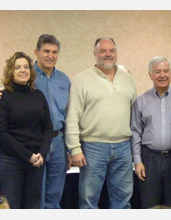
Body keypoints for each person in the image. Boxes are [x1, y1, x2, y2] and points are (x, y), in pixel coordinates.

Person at [0, 34, 71, 209]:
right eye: (46, 51)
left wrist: (67, 148)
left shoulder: (61, 81)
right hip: (19, 155)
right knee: (16, 202)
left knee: (51, 197)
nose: (50, 55)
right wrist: (31, 155)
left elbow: (59, 120)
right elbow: (1, 132)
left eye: (54, 52)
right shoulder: (5, 94)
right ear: (37, 52)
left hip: (53, 144)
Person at [65, 37, 137, 209]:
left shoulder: (128, 79)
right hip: (92, 147)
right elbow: (72, 116)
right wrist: (75, 149)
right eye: (103, 51)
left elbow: (134, 117)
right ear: (95, 54)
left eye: (112, 51)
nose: (108, 54)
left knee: (123, 201)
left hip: (122, 147)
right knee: (88, 201)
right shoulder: (81, 79)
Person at [0, 51, 53, 209]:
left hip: (36, 161)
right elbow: (1, 134)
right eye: (18, 67)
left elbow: (48, 127)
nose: (23, 70)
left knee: (32, 206)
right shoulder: (2, 97)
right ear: (11, 71)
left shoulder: (38, 95)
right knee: (11, 206)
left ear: (31, 71)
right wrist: (28, 156)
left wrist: (42, 154)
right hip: (11, 161)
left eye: (26, 67)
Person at [130, 56, 171, 208]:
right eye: (158, 71)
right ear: (150, 75)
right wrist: (138, 162)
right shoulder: (141, 101)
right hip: (149, 160)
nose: (162, 75)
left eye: (166, 71)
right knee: (149, 205)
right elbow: (135, 133)